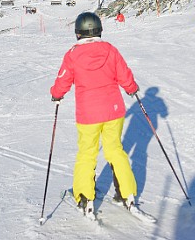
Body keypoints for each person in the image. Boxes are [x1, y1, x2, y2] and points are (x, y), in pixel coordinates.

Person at [50, 12, 140, 219]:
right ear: (99, 30)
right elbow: (124, 74)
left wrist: (56, 95)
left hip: (88, 114)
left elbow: (63, 80)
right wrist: (132, 88)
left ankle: (85, 197)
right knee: (116, 151)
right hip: (114, 111)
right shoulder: (110, 50)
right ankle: (127, 194)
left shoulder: (72, 54)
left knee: (87, 154)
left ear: (78, 33)